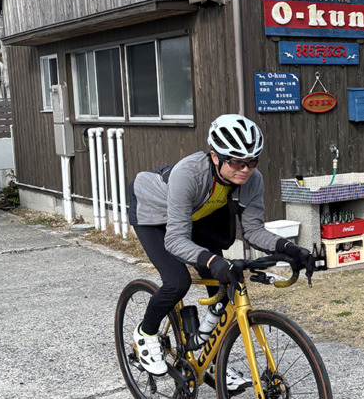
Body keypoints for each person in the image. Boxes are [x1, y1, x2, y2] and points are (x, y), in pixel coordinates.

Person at [128, 113, 310, 375]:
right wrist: (213, 261)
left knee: (227, 285)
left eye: (252, 162)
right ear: (215, 156)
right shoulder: (188, 174)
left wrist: (289, 249)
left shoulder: (251, 180)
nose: (245, 169)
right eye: (237, 162)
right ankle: (146, 333)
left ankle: (211, 359)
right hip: (153, 216)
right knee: (178, 281)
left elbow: (254, 231)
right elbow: (176, 239)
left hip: (195, 215)